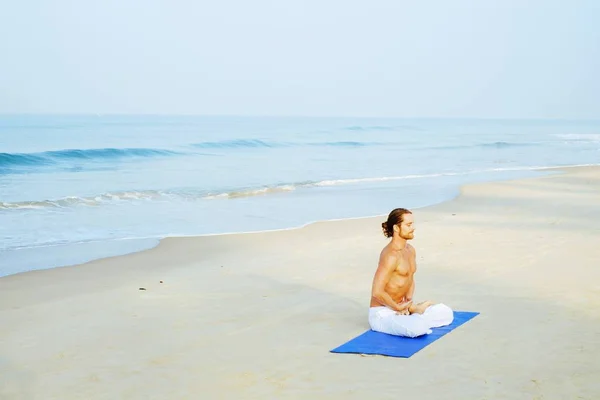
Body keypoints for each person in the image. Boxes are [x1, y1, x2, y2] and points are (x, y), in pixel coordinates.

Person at [369, 208, 454, 338]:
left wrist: (408, 304)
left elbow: (410, 277)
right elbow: (377, 292)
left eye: (412, 224)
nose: (413, 228)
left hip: (403, 309)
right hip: (383, 312)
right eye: (408, 225)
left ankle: (414, 312)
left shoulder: (410, 250)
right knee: (418, 328)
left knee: (446, 313)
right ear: (396, 228)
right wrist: (397, 308)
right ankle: (415, 315)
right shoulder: (390, 255)